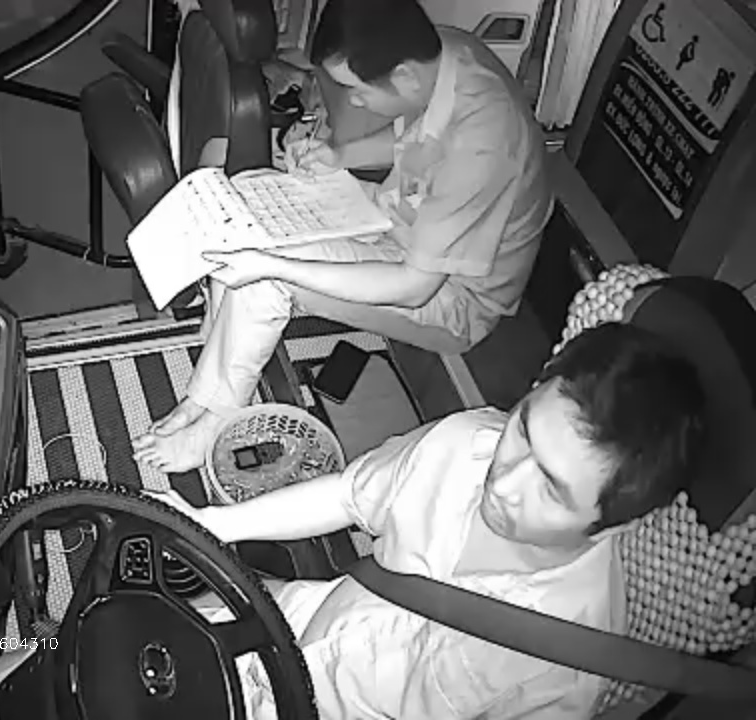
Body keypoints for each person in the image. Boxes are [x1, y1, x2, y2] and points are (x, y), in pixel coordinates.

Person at [147, 322, 707, 718]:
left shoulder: (570, 664)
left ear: (611, 525)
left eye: (552, 490)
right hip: (295, 623)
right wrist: (213, 525)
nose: (504, 483)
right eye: (523, 432)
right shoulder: (463, 443)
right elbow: (348, 495)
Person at [133, 0, 553, 473]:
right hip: (404, 217)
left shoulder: (484, 144)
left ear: (404, 76)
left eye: (356, 90)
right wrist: (340, 156)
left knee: (267, 277)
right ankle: (211, 377)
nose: (352, 103)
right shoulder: (445, 53)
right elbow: (418, 140)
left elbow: (415, 287)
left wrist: (279, 266)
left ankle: (217, 419)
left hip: (450, 296)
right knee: (245, 193)